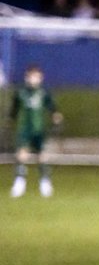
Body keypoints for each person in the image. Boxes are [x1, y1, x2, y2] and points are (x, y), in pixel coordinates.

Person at [9, 65, 63, 198]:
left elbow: (52, 107)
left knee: (42, 155)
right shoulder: (20, 92)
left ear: (41, 78)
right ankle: (19, 183)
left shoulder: (44, 92)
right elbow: (14, 109)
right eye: (32, 76)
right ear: (27, 77)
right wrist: (10, 119)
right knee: (22, 154)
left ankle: (45, 183)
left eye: (37, 77)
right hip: (24, 129)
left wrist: (56, 116)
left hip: (39, 129)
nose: (34, 79)